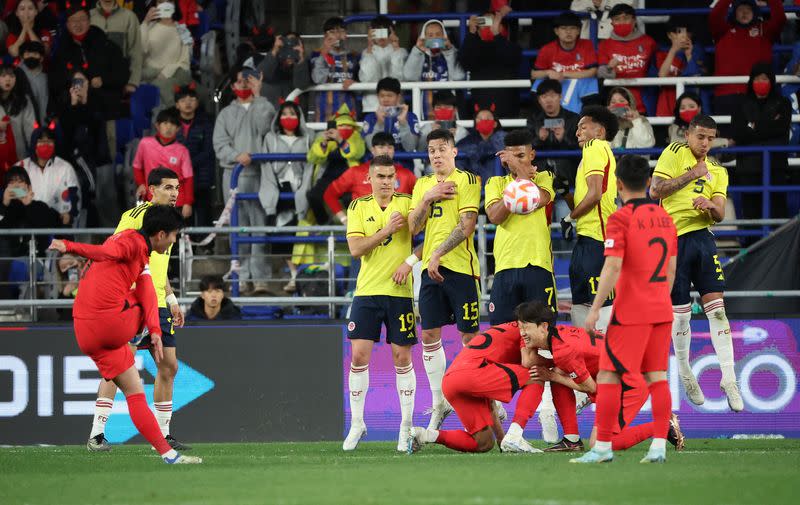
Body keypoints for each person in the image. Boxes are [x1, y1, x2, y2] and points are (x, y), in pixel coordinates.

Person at [48, 205, 200, 464]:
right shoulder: (131, 243)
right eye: (174, 235)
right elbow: (104, 252)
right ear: (161, 234)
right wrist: (68, 245)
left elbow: (148, 291)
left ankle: (168, 454)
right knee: (143, 300)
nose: (174, 241)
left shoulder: (141, 253)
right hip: (107, 322)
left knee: (135, 392)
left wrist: (154, 331)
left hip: (86, 333)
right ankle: (136, 337)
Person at [571, 154, 678, 464]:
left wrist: (593, 310)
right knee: (657, 376)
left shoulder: (620, 219)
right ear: (649, 183)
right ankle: (658, 446)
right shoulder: (665, 218)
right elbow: (671, 270)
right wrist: (659, 298)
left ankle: (602, 447)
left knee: (608, 376)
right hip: (662, 309)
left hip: (631, 311)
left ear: (617, 184)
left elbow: (613, 265)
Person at [85, 167, 192, 452]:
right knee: (118, 369)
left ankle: (163, 432)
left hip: (158, 303)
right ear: (151, 189)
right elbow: (116, 253)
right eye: (168, 188)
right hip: (133, 302)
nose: (174, 193)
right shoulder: (134, 218)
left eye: (177, 188)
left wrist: (171, 298)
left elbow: (157, 266)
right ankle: (97, 433)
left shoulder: (169, 220)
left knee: (169, 366)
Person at [650, 114, 743, 412]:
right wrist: (692, 174)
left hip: (702, 238)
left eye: (710, 138)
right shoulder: (674, 152)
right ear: (688, 134)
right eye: (700, 137)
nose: (705, 143)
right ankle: (686, 372)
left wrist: (710, 207)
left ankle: (729, 378)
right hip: (671, 240)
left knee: (717, 311)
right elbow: (656, 191)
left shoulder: (717, 170)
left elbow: (720, 213)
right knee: (680, 317)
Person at [517, 301, 685, 453]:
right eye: (519, 327)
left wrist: (552, 376)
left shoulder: (564, 351)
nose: (522, 333)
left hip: (630, 384)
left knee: (599, 444)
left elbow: (591, 388)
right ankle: (572, 440)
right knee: (557, 375)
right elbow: (529, 361)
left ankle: (663, 426)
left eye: (526, 327)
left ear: (544, 326)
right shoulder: (559, 334)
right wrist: (553, 374)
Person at [342, 154, 417, 452]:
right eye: (380, 176)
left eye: (390, 176)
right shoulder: (358, 206)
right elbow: (355, 248)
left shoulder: (408, 202)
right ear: (368, 179)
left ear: (395, 178)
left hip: (399, 292)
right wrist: (387, 230)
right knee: (359, 356)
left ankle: (406, 426)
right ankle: (357, 423)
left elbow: (432, 237)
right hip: (367, 291)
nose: (386, 181)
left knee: (402, 358)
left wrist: (410, 261)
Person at [408, 128, 481, 430]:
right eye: (432, 150)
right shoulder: (422, 185)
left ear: (454, 151)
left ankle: (483, 398)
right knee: (428, 335)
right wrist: (427, 199)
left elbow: (467, 226)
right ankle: (440, 401)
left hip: (461, 268)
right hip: (430, 271)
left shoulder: (468, 180)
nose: (436, 155)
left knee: (470, 337)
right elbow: (413, 228)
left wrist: (437, 252)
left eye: (442, 149)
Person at [406, 320, 542, 454]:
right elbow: (528, 361)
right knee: (536, 376)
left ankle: (426, 435)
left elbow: (490, 400)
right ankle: (516, 434)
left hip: (451, 381)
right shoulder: (526, 332)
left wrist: (501, 438)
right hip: (471, 374)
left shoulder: (507, 333)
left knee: (484, 443)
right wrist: (550, 363)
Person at [213, 66, 274, 294]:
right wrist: (235, 156)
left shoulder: (264, 105)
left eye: (248, 81)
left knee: (258, 227)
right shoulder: (225, 114)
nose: (244, 86)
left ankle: (260, 279)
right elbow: (219, 144)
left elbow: (266, 127)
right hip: (233, 174)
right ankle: (241, 276)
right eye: (240, 82)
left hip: (260, 173)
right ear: (232, 86)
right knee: (238, 228)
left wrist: (258, 96)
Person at [484, 129, 555, 325]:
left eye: (521, 156)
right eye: (512, 157)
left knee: (543, 334)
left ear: (532, 155)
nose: (516, 161)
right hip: (505, 265)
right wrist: (522, 177)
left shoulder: (544, 177)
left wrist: (519, 172)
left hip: (538, 265)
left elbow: (539, 199)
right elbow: (494, 216)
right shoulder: (495, 182)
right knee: (502, 335)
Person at [561, 105, 618, 332]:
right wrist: (566, 195)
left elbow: (595, 195)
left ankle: (603, 364)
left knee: (597, 307)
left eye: (583, 126)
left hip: (598, 240)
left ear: (600, 131)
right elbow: (588, 199)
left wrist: (569, 217)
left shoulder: (595, 146)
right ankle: (588, 363)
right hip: (588, 238)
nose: (577, 133)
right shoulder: (595, 154)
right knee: (580, 305)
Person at [260, 98, 314, 293]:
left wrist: (304, 190)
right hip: (279, 189)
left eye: (292, 114)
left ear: (299, 117)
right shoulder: (270, 138)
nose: (288, 117)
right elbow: (266, 168)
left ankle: (299, 278)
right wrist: (269, 195)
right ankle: (293, 276)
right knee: (283, 235)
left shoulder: (309, 137)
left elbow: (311, 166)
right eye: (284, 114)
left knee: (300, 235)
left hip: (301, 189)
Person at [50, 3, 130, 131]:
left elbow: (122, 74)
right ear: (67, 24)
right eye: (73, 21)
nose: (78, 24)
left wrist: (103, 80)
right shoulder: (61, 51)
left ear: (89, 21)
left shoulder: (107, 46)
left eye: (82, 19)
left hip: (104, 109)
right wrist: (72, 77)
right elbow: (54, 83)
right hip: (72, 111)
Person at [56, 67, 115, 227]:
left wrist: (85, 102)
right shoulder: (65, 108)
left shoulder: (97, 102)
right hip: (75, 162)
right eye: (75, 82)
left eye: (82, 81)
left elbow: (97, 129)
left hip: (99, 159)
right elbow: (67, 138)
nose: (79, 85)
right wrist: (74, 104)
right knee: (80, 190)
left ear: (88, 83)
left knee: (106, 196)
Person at [731, 62, 791, 221]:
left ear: (772, 80)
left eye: (764, 78)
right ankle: (752, 246)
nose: (761, 82)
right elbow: (738, 133)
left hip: (775, 165)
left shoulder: (783, 103)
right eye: (757, 79)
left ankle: (780, 247)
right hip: (748, 167)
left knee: (778, 211)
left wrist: (753, 126)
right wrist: (768, 124)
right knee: (751, 213)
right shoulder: (741, 104)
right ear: (751, 81)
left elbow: (781, 129)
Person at [710, 0, 785, 118]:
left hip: (757, 95)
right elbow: (714, 15)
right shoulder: (723, 31)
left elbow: (780, 18)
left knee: (756, 134)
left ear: (755, 12)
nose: (744, 13)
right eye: (740, 9)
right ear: (734, 12)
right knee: (727, 135)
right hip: (726, 95)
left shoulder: (764, 30)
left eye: (748, 9)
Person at [323, 131, 415, 227]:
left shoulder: (406, 174)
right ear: (372, 150)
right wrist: (344, 219)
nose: (386, 151)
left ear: (394, 150)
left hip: (398, 234)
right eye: (381, 147)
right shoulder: (356, 172)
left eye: (390, 147)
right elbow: (329, 194)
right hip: (364, 233)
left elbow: (422, 196)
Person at [0, 165, 60, 299]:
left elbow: (46, 229)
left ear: (29, 186)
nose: (15, 186)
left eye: (20, 182)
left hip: (34, 259)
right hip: (5, 258)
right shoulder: (4, 208)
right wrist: (4, 205)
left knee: (10, 267)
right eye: (11, 183)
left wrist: (29, 204)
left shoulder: (40, 207)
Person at [306, 103, 365, 225]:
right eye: (340, 125)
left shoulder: (356, 137)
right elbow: (312, 157)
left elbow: (356, 153)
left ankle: (356, 227)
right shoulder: (324, 137)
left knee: (350, 199)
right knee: (313, 196)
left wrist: (341, 140)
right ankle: (324, 224)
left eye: (347, 125)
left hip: (349, 177)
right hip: (329, 176)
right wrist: (324, 143)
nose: (343, 128)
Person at [530, 11, 599, 113]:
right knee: (538, 83)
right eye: (564, 28)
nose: (568, 32)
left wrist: (563, 74)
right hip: (555, 87)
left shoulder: (586, 45)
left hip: (579, 88)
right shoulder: (547, 49)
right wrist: (548, 72)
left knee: (591, 81)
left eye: (572, 28)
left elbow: (592, 71)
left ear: (578, 31)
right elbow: (534, 74)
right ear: (556, 31)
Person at [133, 107, 194, 219]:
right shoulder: (145, 144)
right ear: (157, 125)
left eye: (172, 124)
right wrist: (141, 184)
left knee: (174, 234)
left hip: (176, 202)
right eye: (165, 123)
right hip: (151, 199)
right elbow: (137, 166)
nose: (168, 127)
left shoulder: (182, 150)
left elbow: (188, 178)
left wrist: (188, 203)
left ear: (178, 128)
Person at [460, 8, 521, 118]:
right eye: (484, 22)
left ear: (501, 26)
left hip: (507, 107)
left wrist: (497, 34)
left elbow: (513, 58)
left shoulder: (510, 46)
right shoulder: (474, 47)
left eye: (492, 22)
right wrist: (471, 33)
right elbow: (465, 62)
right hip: (480, 109)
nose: (488, 26)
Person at [597, 3, 657, 115]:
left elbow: (656, 70)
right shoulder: (604, 45)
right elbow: (601, 74)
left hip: (644, 104)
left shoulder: (649, 42)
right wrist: (609, 68)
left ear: (634, 20)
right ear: (612, 23)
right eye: (617, 19)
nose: (621, 22)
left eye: (626, 18)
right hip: (616, 105)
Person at [403, 18, 465, 118]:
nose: (434, 38)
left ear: (444, 36)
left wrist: (449, 51)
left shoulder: (452, 52)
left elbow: (459, 76)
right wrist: (418, 50)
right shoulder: (418, 54)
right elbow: (409, 76)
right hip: (423, 109)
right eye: (430, 35)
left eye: (438, 35)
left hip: (448, 109)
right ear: (424, 37)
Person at [19, 124, 80, 226]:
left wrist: (71, 215)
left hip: (59, 226)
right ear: (34, 144)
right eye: (41, 141)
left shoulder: (65, 168)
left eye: (49, 141)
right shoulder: (22, 167)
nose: (46, 145)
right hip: (28, 226)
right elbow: (13, 192)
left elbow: (76, 196)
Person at [528, 79, 579, 198]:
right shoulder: (533, 120)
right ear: (539, 100)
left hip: (567, 177)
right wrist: (539, 139)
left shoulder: (574, 119)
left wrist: (564, 138)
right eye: (544, 96)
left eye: (552, 95)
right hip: (540, 180)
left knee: (564, 214)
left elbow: (580, 149)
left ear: (560, 96)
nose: (548, 100)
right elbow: (526, 149)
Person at [174, 83, 215, 230]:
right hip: (180, 180)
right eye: (183, 100)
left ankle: (206, 246)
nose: (188, 103)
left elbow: (209, 150)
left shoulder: (206, 123)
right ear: (177, 105)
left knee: (204, 214)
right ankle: (184, 249)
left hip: (201, 177)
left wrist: (187, 163)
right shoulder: (172, 125)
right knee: (182, 216)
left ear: (197, 103)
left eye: (191, 99)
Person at [139, 0, 192, 107]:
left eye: (169, 1)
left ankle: (172, 117)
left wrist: (165, 73)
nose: (165, 5)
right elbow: (140, 51)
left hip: (173, 75)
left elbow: (185, 62)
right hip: (148, 73)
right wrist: (145, 22)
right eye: (160, 2)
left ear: (174, 4)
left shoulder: (183, 30)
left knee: (161, 86)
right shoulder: (148, 26)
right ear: (155, 5)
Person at [655, 17, 707, 118]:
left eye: (687, 31)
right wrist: (673, 50)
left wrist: (689, 56)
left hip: (690, 109)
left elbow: (699, 77)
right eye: (679, 31)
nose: (684, 35)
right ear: (670, 35)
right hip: (667, 108)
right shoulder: (661, 53)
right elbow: (662, 76)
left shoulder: (697, 50)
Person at [91, 0, 143, 96]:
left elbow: (135, 51)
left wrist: (132, 82)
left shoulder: (129, 17)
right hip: (93, 81)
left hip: (119, 82)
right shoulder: (89, 16)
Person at [311, 17, 359, 121]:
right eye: (332, 32)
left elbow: (362, 83)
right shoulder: (316, 54)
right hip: (324, 113)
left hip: (348, 112)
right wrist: (324, 53)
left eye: (341, 31)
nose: (337, 36)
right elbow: (318, 79)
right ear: (325, 35)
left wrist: (354, 83)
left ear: (346, 35)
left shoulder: (354, 55)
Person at [358, 15, 407, 114]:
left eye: (384, 31)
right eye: (377, 31)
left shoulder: (401, 51)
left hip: (396, 105)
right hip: (371, 106)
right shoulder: (366, 52)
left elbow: (398, 77)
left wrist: (396, 49)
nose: (381, 36)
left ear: (391, 32)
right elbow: (366, 78)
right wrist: (369, 47)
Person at [362, 77, 419, 157]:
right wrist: (379, 124)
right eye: (382, 96)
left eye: (390, 96)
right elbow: (371, 147)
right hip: (377, 165)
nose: (385, 99)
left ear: (398, 97)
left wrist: (403, 124)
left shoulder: (410, 116)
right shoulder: (370, 118)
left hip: (403, 165)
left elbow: (410, 148)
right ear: (377, 97)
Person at [416, 91, 469, 175]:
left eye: (447, 107)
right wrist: (430, 136)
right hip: (431, 172)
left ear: (455, 110)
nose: (443, 110)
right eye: (439, 107)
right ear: (433, 110)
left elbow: (464, 157)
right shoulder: (426, 128)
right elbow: (419, 150)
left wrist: (452, 139)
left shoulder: (462, 131)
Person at [258, 31, 311, 110]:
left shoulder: (305, 64)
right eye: (286, 45)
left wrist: (300, 60)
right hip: (274, 116)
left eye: (294, 44)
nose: (290, 49)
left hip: (296, 116)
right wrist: (274, 50)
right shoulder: (271, 63)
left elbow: (302, 85)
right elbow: (261, 75)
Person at [455, 104, 505, 185]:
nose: (484, 120)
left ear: (495, 123)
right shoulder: (467, 142)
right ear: (476, 124)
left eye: (488, 118)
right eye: (480, 119)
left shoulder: (503, 138)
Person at [0, 62, 36, 172]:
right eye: (3, 76)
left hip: (19, 156)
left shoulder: (24, 101)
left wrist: (35, 150)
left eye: (11, 76)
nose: (8, 79)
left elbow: (30, 130)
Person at [570, 0, 635, 41]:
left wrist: (602, 3)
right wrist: (592, 3)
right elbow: (574, 8)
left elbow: (629, 3)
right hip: (588, 37)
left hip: (614, 36)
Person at [17, 40, 47, 122]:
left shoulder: (44, 78)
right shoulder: (15, 74)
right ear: (22, 57)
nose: (31, 57)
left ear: (41, 58)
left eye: (35, 54)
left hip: (37, 122)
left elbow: (43, 103)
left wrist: (43, 125)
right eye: (27, 54)